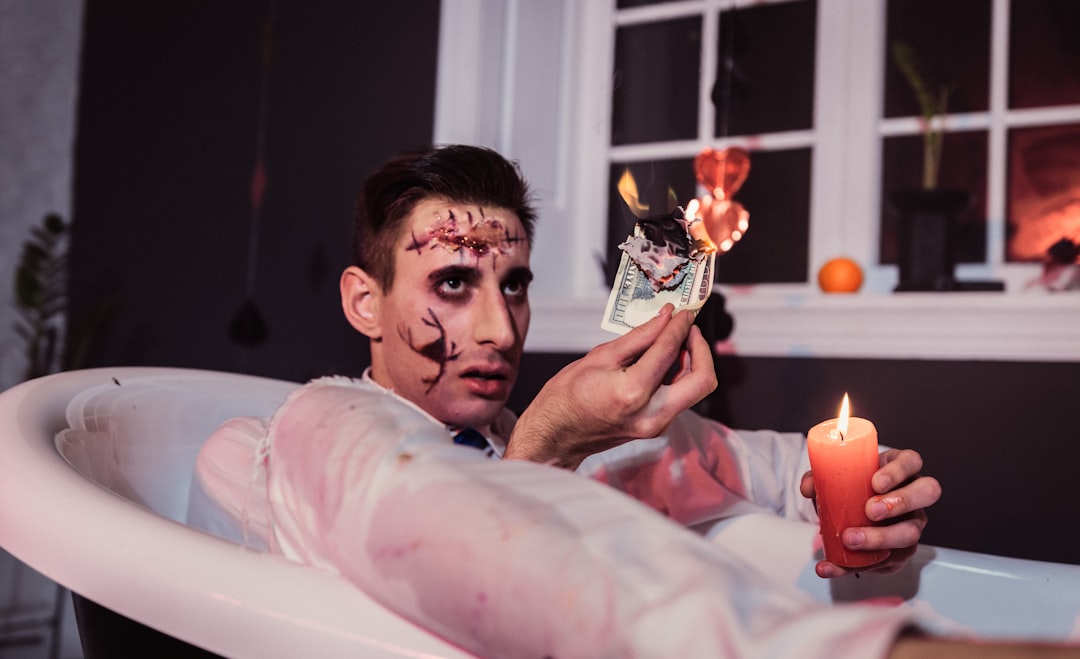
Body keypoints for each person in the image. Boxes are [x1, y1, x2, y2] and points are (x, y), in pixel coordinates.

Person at [191, 144, 1075, 658]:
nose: (501, 327)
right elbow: (436, 531)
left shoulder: (582, 444)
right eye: (454, 282)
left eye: (517, 283)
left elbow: (761, 464)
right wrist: (551, 440)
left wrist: (849, 490)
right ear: (363, 302)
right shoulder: (301, 435)